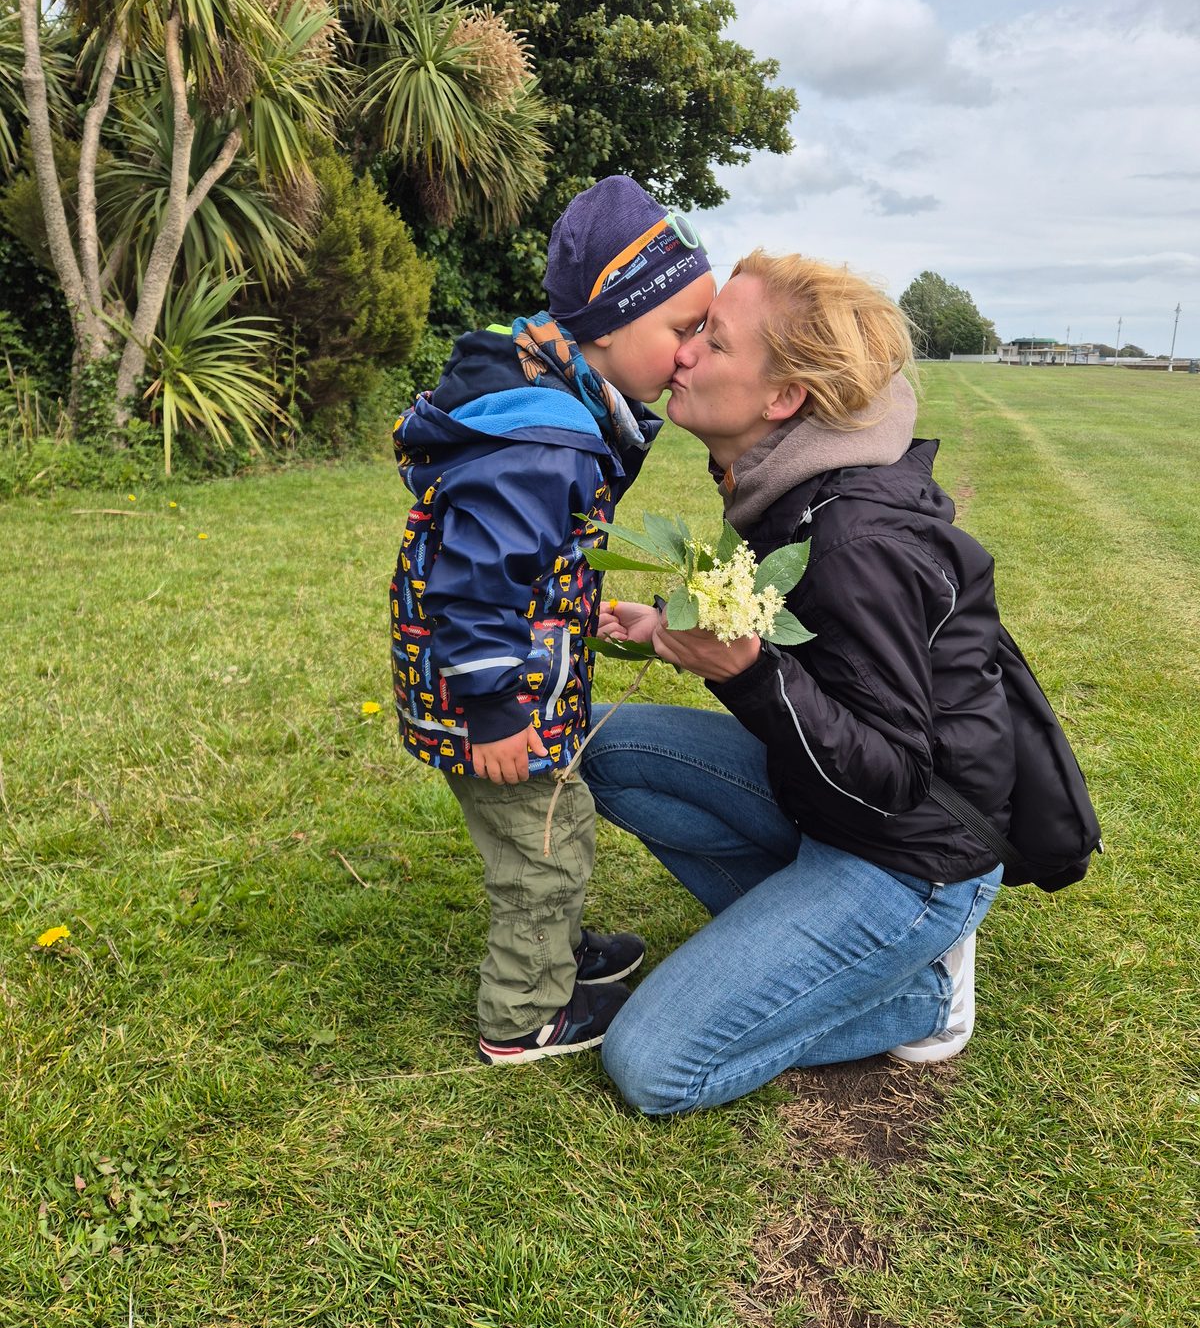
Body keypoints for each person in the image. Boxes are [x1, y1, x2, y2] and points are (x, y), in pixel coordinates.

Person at [583, 250, 1014, 1114]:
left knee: (653, 1065)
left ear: (783, 398)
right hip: (822, 805)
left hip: (910, 856)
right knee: (600, 744)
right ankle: (812, 946)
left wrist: (750, 673)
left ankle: (924, 993)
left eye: (715, 341)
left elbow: (897, 774)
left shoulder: (855, 537)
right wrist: (669, 631)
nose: (684, 353)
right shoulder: (785, 482)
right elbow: (804, 646)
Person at [390, 176, 716, 1065]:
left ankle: (558, 952)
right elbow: (473, 585)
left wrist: (573, 603)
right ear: (609, 323)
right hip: (496, 698)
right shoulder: (544, 439)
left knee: (550, 826)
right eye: (683, 329)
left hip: (511, 676)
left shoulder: (552, 402)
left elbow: (524, 559)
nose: (693, 353)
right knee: (547, 845)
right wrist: (495, 708)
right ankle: (526, 1012)